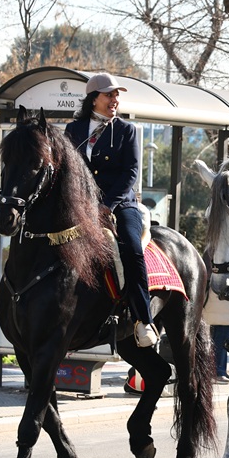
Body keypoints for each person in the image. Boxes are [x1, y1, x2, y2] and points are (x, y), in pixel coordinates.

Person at [65, 73, 158, 348]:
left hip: (120, 204)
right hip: (82, 205)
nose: (115, 100)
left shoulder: (127, 130)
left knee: (131, 246)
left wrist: (108, 205)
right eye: (110, 95)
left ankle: (144, 319)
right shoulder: (74, 130)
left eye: (117, 95)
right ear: (94, 98)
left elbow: (131, 172)